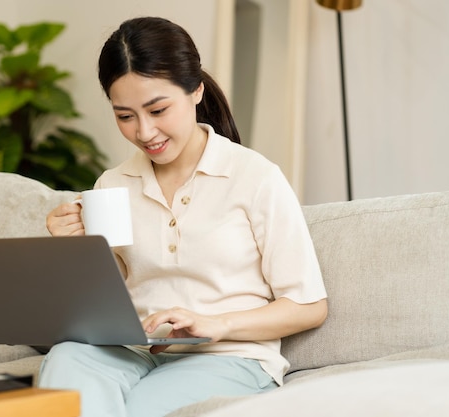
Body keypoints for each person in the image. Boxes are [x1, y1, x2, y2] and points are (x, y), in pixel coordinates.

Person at [40, 16, 328, 417]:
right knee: (67, 362)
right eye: (125, 116)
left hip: (228, 355)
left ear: (196, 90)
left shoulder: (255, 177)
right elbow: (112, 291)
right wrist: (75, 251)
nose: (144, 132)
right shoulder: (113, 184)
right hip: (133, 349)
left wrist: (217, 323)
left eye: (158, 109)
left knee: (142, 408)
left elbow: (308, 305)